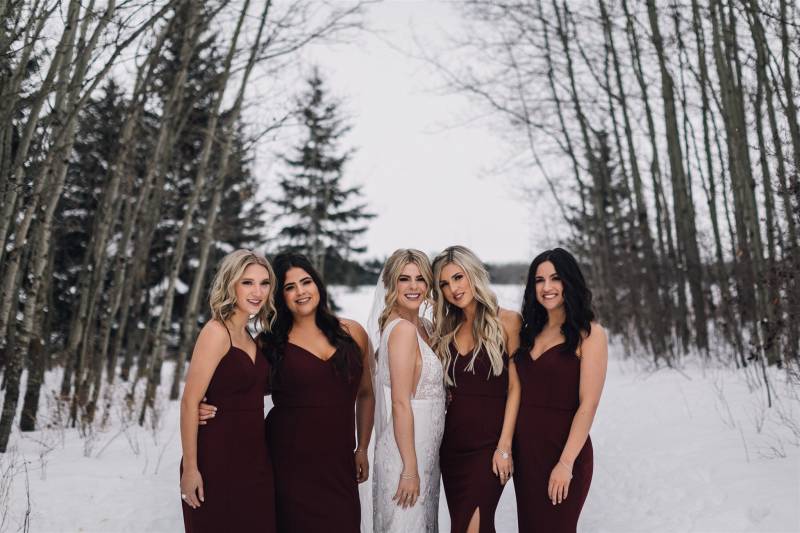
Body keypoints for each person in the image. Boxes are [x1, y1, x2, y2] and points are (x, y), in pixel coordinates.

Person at [260, 252, 373, 532]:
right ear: (280, 297)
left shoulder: (352, 332)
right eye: (289, 287)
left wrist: (362, 447)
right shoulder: (269, 343)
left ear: (317, 285)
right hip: (287, 463)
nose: (300, 292)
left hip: (338, 464)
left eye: (306, 282)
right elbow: (240, 389)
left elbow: (366, 393)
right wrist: (207, 406)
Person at [179, 249, 277, 533]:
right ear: (230, 284)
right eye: (247, 282)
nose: (257, 291)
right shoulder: (215, 332)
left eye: (264, 283)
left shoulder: (251, 336)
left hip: (255, 458)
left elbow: (248, 390)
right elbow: (189, 403)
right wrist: (191, 469)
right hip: (216, 459)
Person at [513, 248, 607, 533]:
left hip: (565, 453)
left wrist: (565, 463)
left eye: (555, 278)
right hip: (526, 455)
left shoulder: (590, 334)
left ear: (570, 281)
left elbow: (588, 405)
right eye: (539, 280)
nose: (547, 287)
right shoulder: (527, 332)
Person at [432, 245, 521, 533]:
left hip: (489, 445)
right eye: (444, 284)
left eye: (458, 277)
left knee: (474, 526)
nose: (453, 289)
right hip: (453, 447)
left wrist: (505, 446)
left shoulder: (507, 321)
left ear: (473, 274)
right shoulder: (446, 330)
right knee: (464, 526)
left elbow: (516, 387)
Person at [369, 248, 445, 533]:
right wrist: (410, 469)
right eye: (404, 279)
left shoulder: (425, 327)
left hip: (425, 452)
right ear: (391, 285)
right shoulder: (402, 330)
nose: (414, 287)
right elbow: (401, 403)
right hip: (406, 455)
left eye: (420, 279)